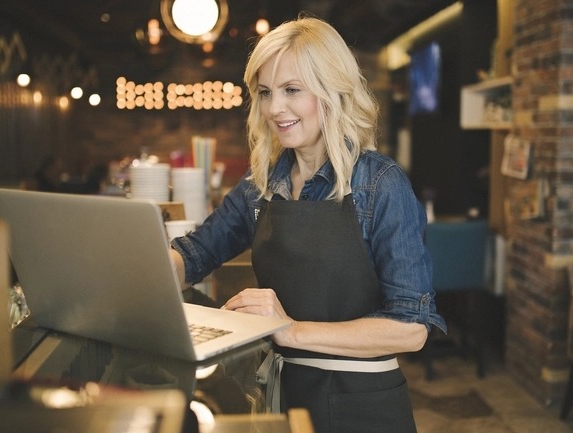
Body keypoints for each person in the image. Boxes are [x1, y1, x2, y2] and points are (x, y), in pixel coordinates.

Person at [169, 16, 446, 433]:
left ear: (333, 91)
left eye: (292, 90)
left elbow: (410, 330)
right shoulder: (260, 185)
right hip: (279, 395)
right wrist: (144, 278)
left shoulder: (380, 184)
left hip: (363, 405)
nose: (274, 108)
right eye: (265, 92)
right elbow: (194, 253)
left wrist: (290, 331)